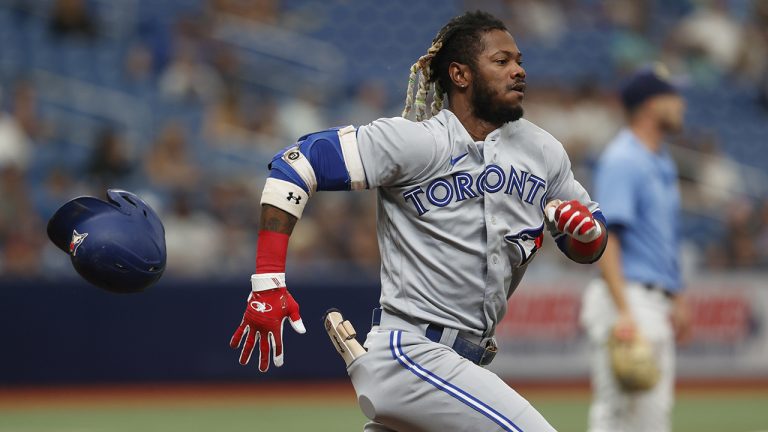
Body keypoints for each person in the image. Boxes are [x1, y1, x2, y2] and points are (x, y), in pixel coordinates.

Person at [230, 11, 608, 431]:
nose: (518, 70)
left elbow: (588, 244)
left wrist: (587, 234)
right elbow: (296, 165)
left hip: (465, 363)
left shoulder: (543, 151)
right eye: (501, 61)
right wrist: (268, 280)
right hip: (413, 353)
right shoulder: (418, 142)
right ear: (460, 74)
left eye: (519, 60)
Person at [580, 65, 691, 432]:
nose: (680, 103)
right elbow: (608, 238)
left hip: (650, 300)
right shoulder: (624, 158)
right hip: (627, 298)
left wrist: (675, 295)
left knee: (651, 418)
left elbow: (658, 238)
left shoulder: (660, 160)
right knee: (621, 415)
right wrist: (624, 310)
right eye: (671, 96)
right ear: (648, 105)